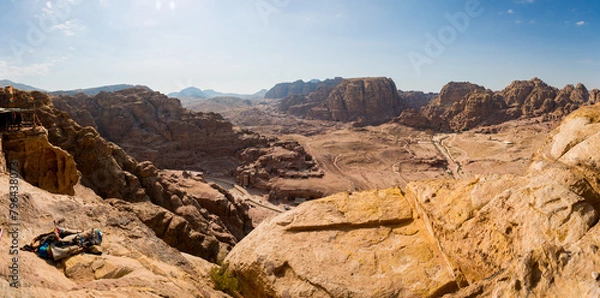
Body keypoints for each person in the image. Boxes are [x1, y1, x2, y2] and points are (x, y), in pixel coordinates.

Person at [22, 226, 103, 261]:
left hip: (54, 251)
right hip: (53, 247)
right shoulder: (77, 234)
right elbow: (57, 229)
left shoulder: (83, 244)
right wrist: (58, 238)